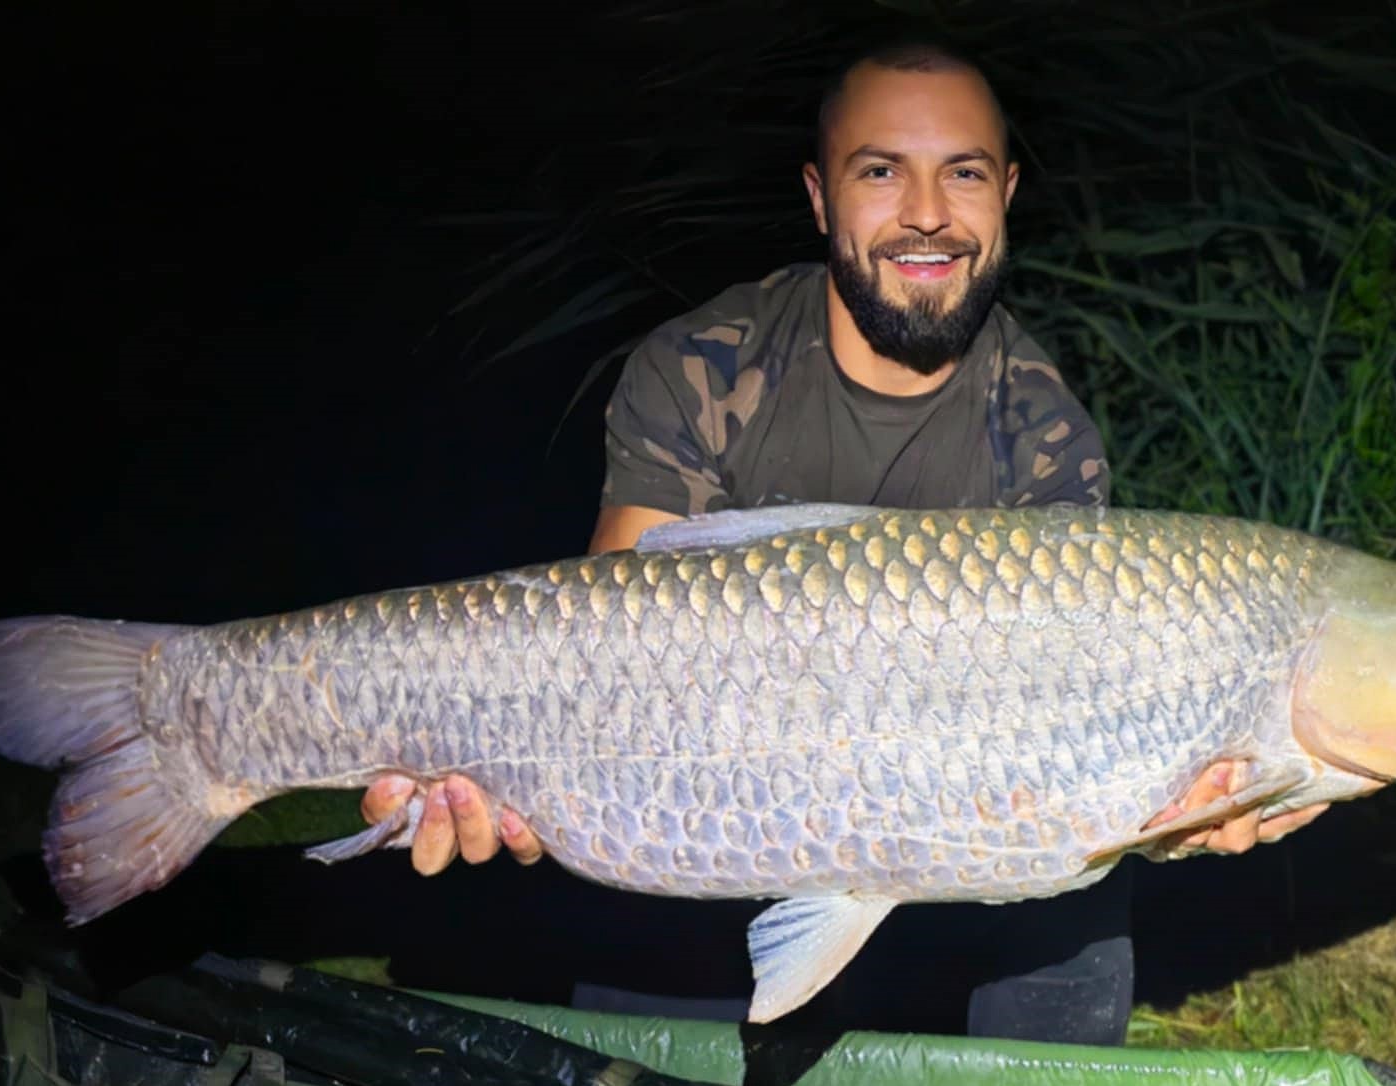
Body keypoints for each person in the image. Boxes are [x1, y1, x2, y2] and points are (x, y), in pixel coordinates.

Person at [358, 35, 1330, 1044]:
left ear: (1006, 195)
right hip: (714, 801)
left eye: (963, 173)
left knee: (1075, 913)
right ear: (821, 199)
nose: (927, 212)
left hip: (955, 817)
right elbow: (610, 652)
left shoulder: (1042, 430)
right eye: (881, 172)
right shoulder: (704, 366)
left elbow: (1066, 745)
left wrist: (1181, 815)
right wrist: (510, 768)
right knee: (648, 988)